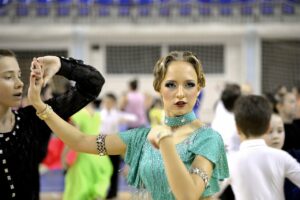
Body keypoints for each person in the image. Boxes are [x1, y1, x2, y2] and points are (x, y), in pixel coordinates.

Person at [28, 51, 229, 200]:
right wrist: (40, 106)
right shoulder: (140, 138)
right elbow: (81, 142)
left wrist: (165, 142)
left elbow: (188, 195)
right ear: (158, 87)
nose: (180, 93)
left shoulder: (208, 138)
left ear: (199, 88)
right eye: (171, 84)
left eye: (189, 84)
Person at [0, 49, 104, 200]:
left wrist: (61, 64)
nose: (20, 83)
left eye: (19, 76)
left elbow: (93, 83)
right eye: (9, 77)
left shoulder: (34, 118)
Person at [229, 95, 300, 200]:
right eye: (271, 131)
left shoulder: (231, 161)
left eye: (280, 131)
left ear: (237, 128)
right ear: (267, 126)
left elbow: (206, 192)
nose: (276, 136)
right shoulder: (282, 157)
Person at [62, 103, 113, 200]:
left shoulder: (78, 114)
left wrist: (63, 156)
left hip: (83, 155)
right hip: (98, 153)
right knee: (97, 181)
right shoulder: (97, 114)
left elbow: (73, 137)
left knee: (78, 188)